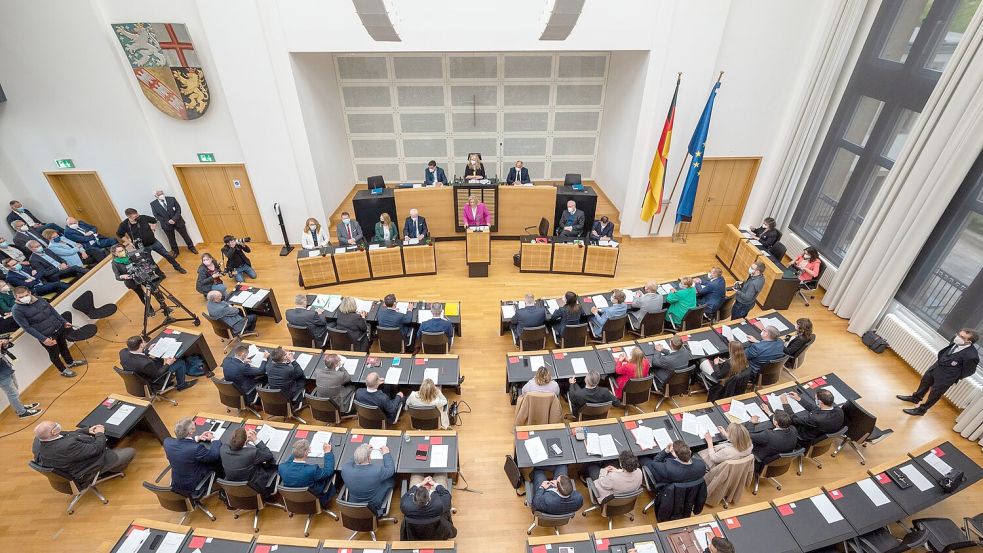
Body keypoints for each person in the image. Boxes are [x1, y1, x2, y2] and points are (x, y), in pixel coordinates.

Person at [898, 328, 980, 416]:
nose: (958, 337)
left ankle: (921, 410)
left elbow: (969, 371)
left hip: (947, 377)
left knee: (935, 394)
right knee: (924, 382)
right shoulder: (956, 340)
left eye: (962, 337)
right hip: (936, 367)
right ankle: (915, 398)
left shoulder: (972, 356)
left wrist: (954, 376)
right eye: (959, 334)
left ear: (969, 342)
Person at [32, 421, 135, 485]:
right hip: (86, 468)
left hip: (69, 464)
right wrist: (99, 433)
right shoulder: (67, 447)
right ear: (53, 432)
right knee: (130, 452)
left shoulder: (39, 440)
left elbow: (67, 434)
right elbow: (96, 449)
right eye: (55, 425)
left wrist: (88, 430)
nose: (57, 425)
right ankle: (114, 469)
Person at [12, 287, 82, 377]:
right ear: (16, 298)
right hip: (46, 335)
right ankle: (63, 370)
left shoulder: (39, 299)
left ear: (29, 293)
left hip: (58, 327)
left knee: (64, 347)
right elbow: (26, 327)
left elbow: (52, 311)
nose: (25, 298)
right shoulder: (16, 310)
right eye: (21, 297)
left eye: (26, 295)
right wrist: (43, 339)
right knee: (54, 354)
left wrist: (63, 322)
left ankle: (70, 362)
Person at [163, 417, 222, 497]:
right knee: (218, 461)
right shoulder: (196, 449)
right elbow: (214, 455)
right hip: (194, 486)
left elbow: (183, 446)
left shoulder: (167, 442)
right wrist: (214, 440)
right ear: (190, 432)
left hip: (177, 483)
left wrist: (197, 438)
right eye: (193, 426)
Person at [115, 209, 186, 274]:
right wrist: (129, 242)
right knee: (150, 262)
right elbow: (119, 234)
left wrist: (153, 229)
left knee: (167, 254)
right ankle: (160, 274)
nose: (137, 216)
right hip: (142, 248)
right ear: (129, 216)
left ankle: (177, 267)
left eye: (137, 214)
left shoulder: (143, 217)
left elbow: (154, 220)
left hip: (154, 242)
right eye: (135, 216)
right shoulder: (124, 224)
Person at [119, 335, 196, 391]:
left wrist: (147, 352)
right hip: (154, 381)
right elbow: (157, 375)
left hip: (141, 376)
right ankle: (182, 385)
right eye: (143, 341)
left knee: (159, 359)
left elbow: (137, 357)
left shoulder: (123, 352)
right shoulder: (146, 363)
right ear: (141, 345)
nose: (145, 341)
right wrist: (168, 363)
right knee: (180, 362)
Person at [220, 427, 278, 498]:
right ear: (245, 440)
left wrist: (243, 440)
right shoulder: (252, 453)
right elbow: (269, 455)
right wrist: (255, 440)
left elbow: (229, 444)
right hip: (253, 487)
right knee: (274, 466)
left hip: (234, 486)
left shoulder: (223, 449)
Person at [341, 443, 396, 516]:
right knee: (391, 480)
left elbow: (351, 460)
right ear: (369, 458)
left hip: (354, 506)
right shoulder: (376, 470)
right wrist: (386, 453)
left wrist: (361, 451)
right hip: (374, 508)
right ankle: (381, 512)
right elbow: (390, 470)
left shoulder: (345, 469)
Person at [278, 438, 336, 508]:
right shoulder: (312, 470)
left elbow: (288, 462)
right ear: (307, 452)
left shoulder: (282, 467)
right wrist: (327, 452)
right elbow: (328, 471)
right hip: (314, 498)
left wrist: (298, 449)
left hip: (294, 498)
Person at [110, 245, 164, 313]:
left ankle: (163, 304)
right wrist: (123, 276)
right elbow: (117, 277)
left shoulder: (130, 255)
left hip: (142, 275)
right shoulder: (115, 263)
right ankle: (149, 309)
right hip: (132, 280)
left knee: (154, 289)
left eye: (123, 250)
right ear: (115, 253)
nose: (122, 252)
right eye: (120, 251)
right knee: (142, 295)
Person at [400, 475, 456, 539]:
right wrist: (434, 484)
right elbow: (446, 494)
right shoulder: (439, 505)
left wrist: (421, 484)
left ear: (414, 496)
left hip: (414, 532)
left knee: (415, 476)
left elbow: (407, 495)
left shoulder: (405, 506)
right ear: (429, 498)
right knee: (441, 476)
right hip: (436, 531)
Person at [0, 337, 41, 418]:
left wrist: (4, 343)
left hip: (6, 367)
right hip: (1, 374)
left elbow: (6, 348)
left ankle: (19, 407)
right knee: (12, 393)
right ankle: (21, 412)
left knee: (15, 387)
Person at [149, 190, 197, 257]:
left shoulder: (171, 199)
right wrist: (168, 221)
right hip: (166, 224)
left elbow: (178, 209)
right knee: (171, 239)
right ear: (155, 196)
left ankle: (191, 247)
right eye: (159, 194)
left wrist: (174, 219)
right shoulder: (153, 204)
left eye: (162, 193)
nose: (161, 195)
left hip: (178, 221)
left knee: (185, 235)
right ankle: (175, 251)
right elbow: (156, 215)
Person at [642, 440, 706, 483]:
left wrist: (666, 451)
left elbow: (655, 462)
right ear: (690, 451)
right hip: (686, 484)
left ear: (676, 455)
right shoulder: (701, 465)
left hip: (667, 483)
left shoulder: (668, 468)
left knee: (643, 459)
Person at [3, 258, 69, 296]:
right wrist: (35, 276)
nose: (17, 264)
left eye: (16, 262)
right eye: (14, 264)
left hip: (43, 283)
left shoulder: (22, 267)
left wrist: (33, 278)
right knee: (57, 284)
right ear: (9, 267)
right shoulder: (10, 277)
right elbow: (27, 285)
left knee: (61, 289)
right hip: (36, 289)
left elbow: (41, 272)